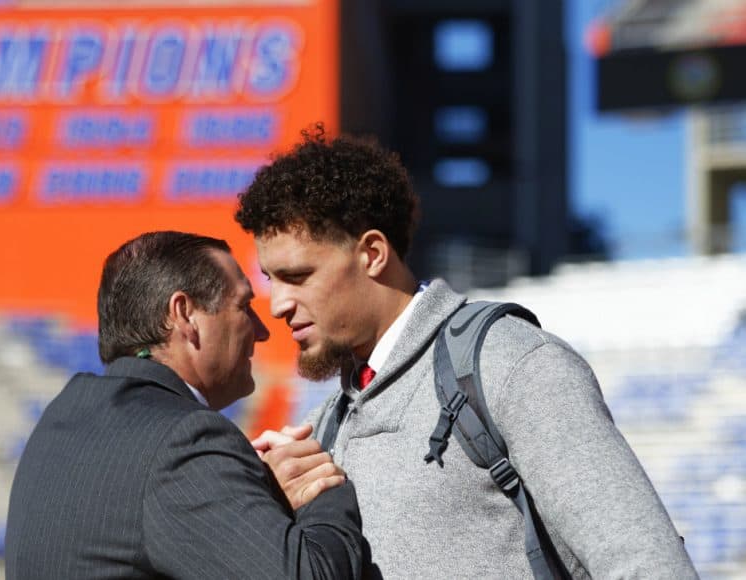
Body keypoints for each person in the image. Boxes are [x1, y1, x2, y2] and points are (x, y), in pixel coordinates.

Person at [235, 127, 697, 579]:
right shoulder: (324, 432)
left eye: (297, 276)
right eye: (270, 280)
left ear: (372, 253)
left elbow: (646, 563)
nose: (277, 305)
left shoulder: (511, 365)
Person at [4, 231, 367, 580]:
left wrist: (255, 493)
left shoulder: (61, 419)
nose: (262, 330)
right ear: (184, 313)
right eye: (244, 306)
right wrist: (321, 486)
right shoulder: (184, 441)